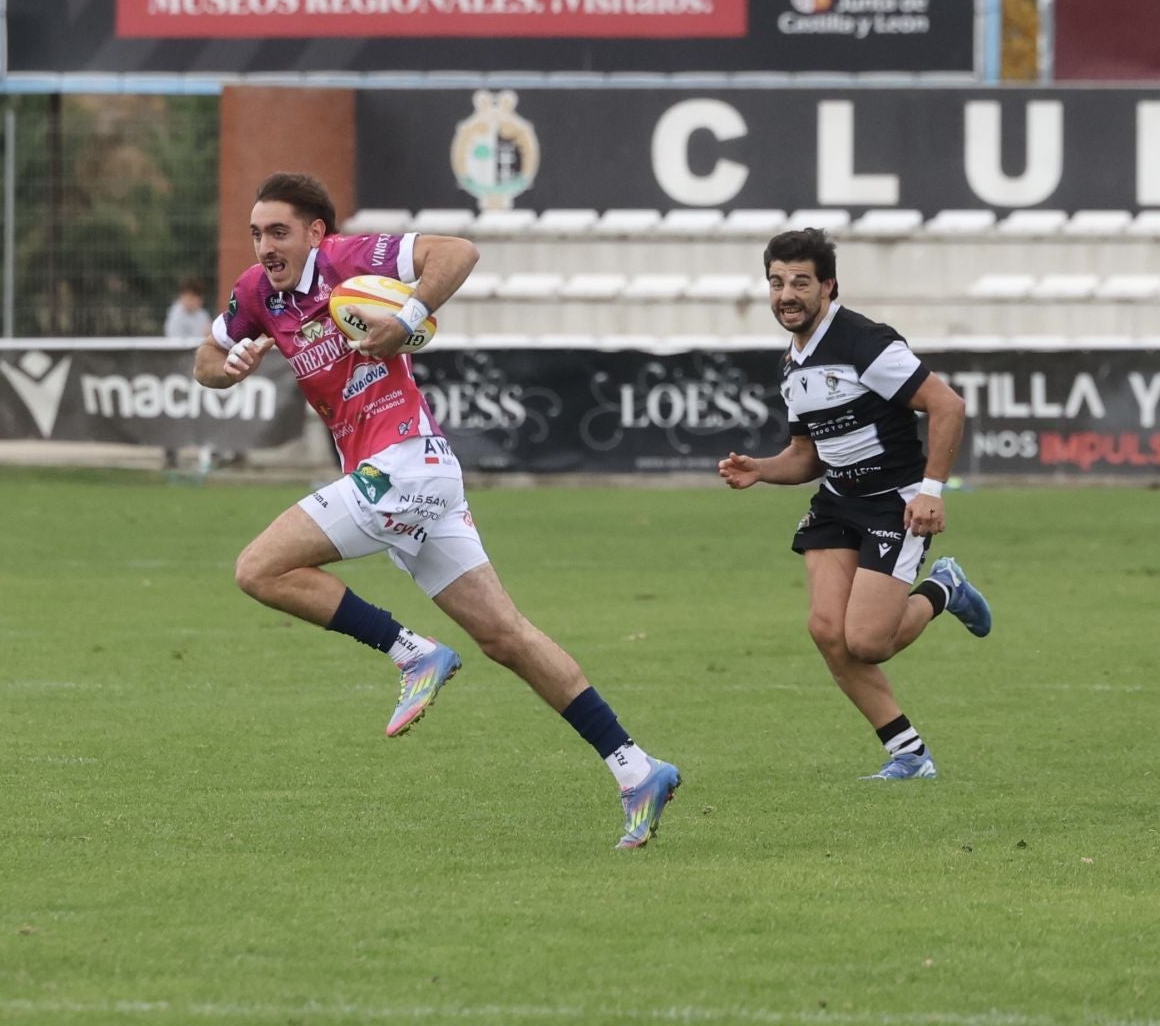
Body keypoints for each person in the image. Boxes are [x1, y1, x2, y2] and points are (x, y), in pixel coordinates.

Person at [194, 173, 681, 848]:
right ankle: (636, 769)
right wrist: (229, 367)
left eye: (278, 232)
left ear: (314, 233)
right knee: (506, 637)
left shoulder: (349, 260)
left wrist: (408, 317)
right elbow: (206, 357)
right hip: (406, 478)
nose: (264, 246)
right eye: (255, 233)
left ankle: (410, 652)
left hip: (403, 464)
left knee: (259, 568)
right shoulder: (256, 293)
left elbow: (457, 253)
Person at [717, 228, 992, 781]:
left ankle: (944, 588)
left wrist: (932, 491)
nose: (785, 294)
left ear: (828, 285)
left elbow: (947, 406)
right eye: (775, 282)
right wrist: (761, 471)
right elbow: (807, 456)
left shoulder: (864, 342)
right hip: (839, 500)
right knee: (827, 631)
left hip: (895, 504)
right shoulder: (792, 366)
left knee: (866, 642)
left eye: (800, 282)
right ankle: (909, 755)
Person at [163, 277, 215, 469]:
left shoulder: (201, 315)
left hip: (198, 373)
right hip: (179, 373)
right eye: (190, 297)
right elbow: (176, 344)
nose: (194, 302)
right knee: (175, 412)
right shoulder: (176, 316)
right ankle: (171, 452)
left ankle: (211, 452)